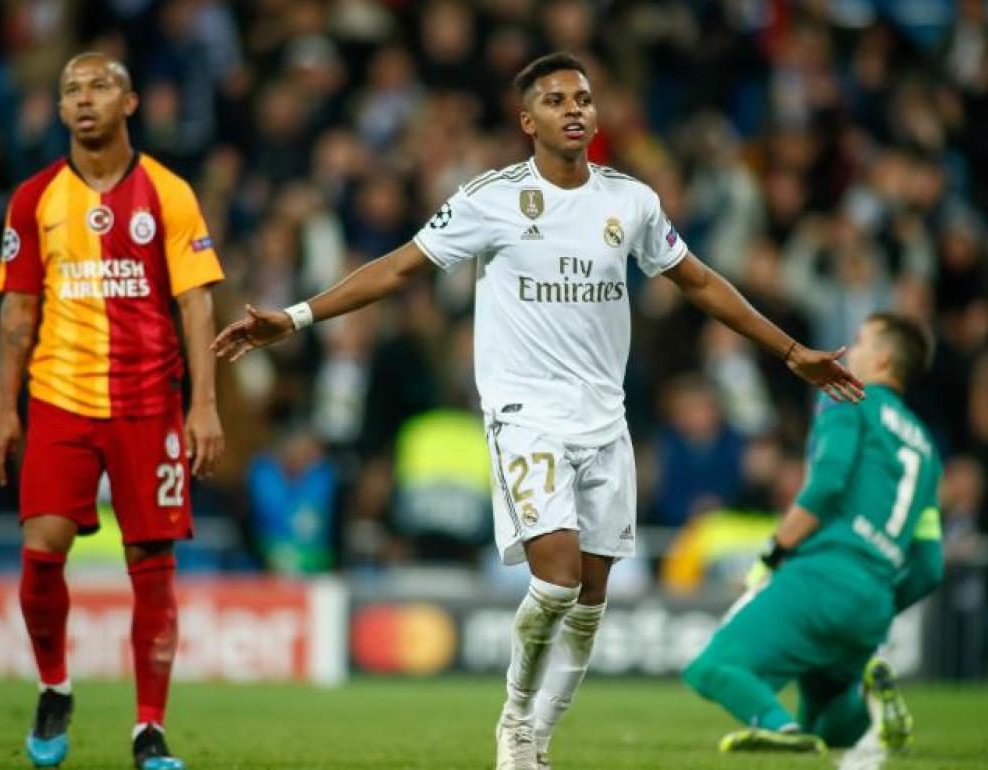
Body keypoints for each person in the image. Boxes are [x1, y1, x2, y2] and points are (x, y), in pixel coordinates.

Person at [212, 52, 862, 770]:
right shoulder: (490, 199)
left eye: (583, 97)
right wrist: (297, 316)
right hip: (526, 412)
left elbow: (700, 282)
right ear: (528, 121)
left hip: (603, 418)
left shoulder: (631, 202)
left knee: (590, 598)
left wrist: (791, 350)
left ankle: (539, 741)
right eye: (555, 100)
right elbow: (398, 267)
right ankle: (515, 722)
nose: (575, 109)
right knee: (553, 578)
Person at [0, 52, 225, 770]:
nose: (84, 99)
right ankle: (54, 686)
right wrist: (4, 411)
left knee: (151, 564)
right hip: (59, 400)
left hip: (149, 406)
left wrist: (203, 407)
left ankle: (148, 729)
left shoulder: (168, 194)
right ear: (59, 112)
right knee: (41, 552)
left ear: (131, 102)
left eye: (100, 86)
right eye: (71, 90)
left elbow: (196, 303)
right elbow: (17, 313)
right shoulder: (32, 200)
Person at [683, 312, 945, 757]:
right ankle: (865, 702)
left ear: (882, 359)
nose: (851, 348)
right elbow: (929, 566)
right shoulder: (925, 447)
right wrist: (877, 600)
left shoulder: (847, 398)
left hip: (822, 575)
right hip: (874, 601)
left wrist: (775, 551)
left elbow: (826, 484)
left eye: (861, 340)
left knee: (713, 667)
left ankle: (780, 732)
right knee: (825, 723)